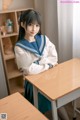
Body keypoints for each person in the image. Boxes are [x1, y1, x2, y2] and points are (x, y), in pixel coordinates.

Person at [14, 9, 69, 120]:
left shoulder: (44, 39)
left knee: (58, 102)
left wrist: (38, 63)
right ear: (22, 24)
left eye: (37, 25)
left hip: (50, 78)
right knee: (46, 110)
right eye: (30, 25)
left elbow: (54, 57)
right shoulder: (19, 47)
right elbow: (29, 70)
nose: (34, 29)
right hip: (34, 84)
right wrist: (47, 64)